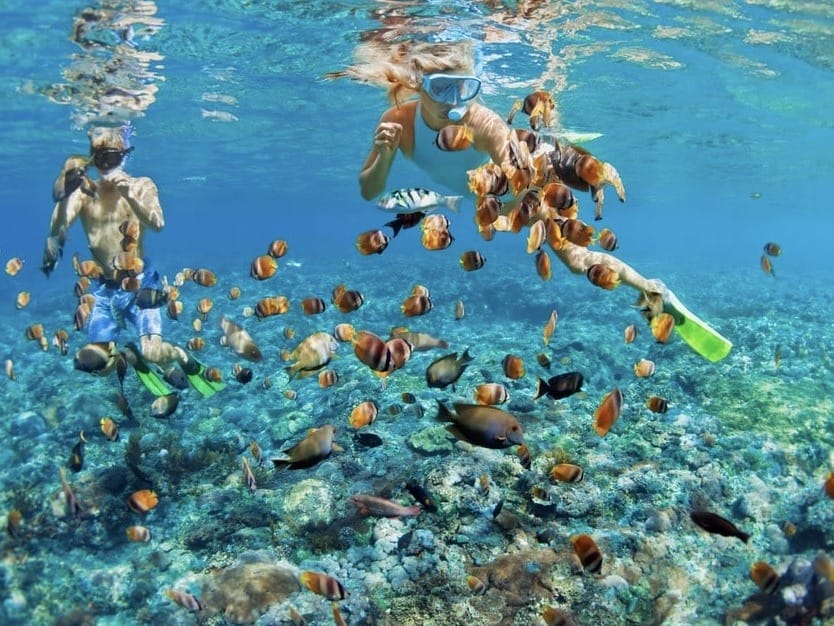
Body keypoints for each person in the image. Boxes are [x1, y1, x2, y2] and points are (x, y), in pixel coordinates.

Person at [337, 40, 731, 362]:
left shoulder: (480, 121)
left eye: (465, 87)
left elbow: (520, 176)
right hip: (490, 205)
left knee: (578, 262)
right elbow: (370, 192)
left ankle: (654, 289)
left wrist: (514, 212)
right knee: (574, 259)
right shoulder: (398, 122)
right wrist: (385, 155)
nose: (455, 100)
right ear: (418, 84)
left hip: (524, 190)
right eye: (443, 88)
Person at [41, 125, 223, 396]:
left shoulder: (142, 185)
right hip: (105, 288)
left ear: (125, 155)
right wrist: (65, 190)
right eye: (99, 158)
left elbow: (158, 223)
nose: (105, 166)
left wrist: (129, 193)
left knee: (154, 352)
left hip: (140, 285)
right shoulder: (84, 193)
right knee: (100, 367)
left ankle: (183, 359)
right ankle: (132, 356)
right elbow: (57, 228)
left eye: (112, 157)